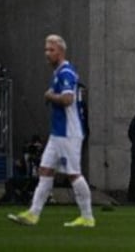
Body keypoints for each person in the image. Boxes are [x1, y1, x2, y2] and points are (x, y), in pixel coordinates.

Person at [8, 35, 94, 227]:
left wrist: (49, 95)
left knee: (73, 174)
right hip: (57, 133)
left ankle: (87, 216)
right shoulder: (58, 72)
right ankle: (33, 214)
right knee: (45, 171)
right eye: (46, 50)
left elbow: (68, 99)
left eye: (51, 50)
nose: (47, 54)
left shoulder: (66, 73)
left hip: (68, 132)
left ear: (61, 51)